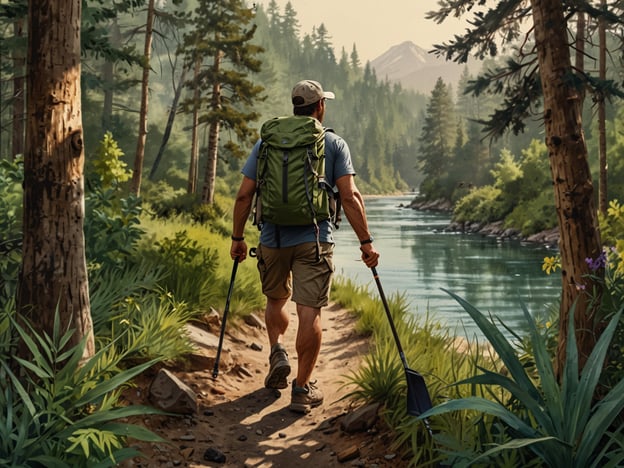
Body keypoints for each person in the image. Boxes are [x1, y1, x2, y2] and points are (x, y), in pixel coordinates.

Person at [230, 79, 380, 413]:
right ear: (320, 107)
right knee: (309, 312)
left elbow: (244, 194)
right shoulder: (332, 143)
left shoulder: (266, 143)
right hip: (314, 239)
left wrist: (237, 238)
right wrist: (366, 243)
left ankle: (277, 350)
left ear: (294, 106)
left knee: (275, 299)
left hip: (271, 238)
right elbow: (350, 196)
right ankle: (301, 388)